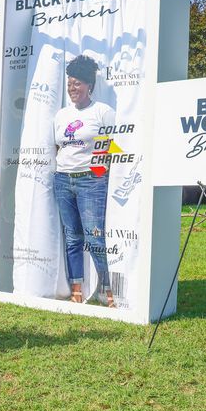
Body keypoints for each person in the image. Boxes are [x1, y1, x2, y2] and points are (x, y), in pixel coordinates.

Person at [53, 55, 116, 307]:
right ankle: (76, 289)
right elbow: (58, 146)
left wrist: (99, 173)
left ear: (89, 85)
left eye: (77, 83)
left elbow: (115, 146)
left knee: (95, 237)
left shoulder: (102, 112)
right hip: (62, 180)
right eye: (69, 83)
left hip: (91, 181)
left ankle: (108, 290)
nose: (72, 88)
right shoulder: (61, 115)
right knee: (72, 237)